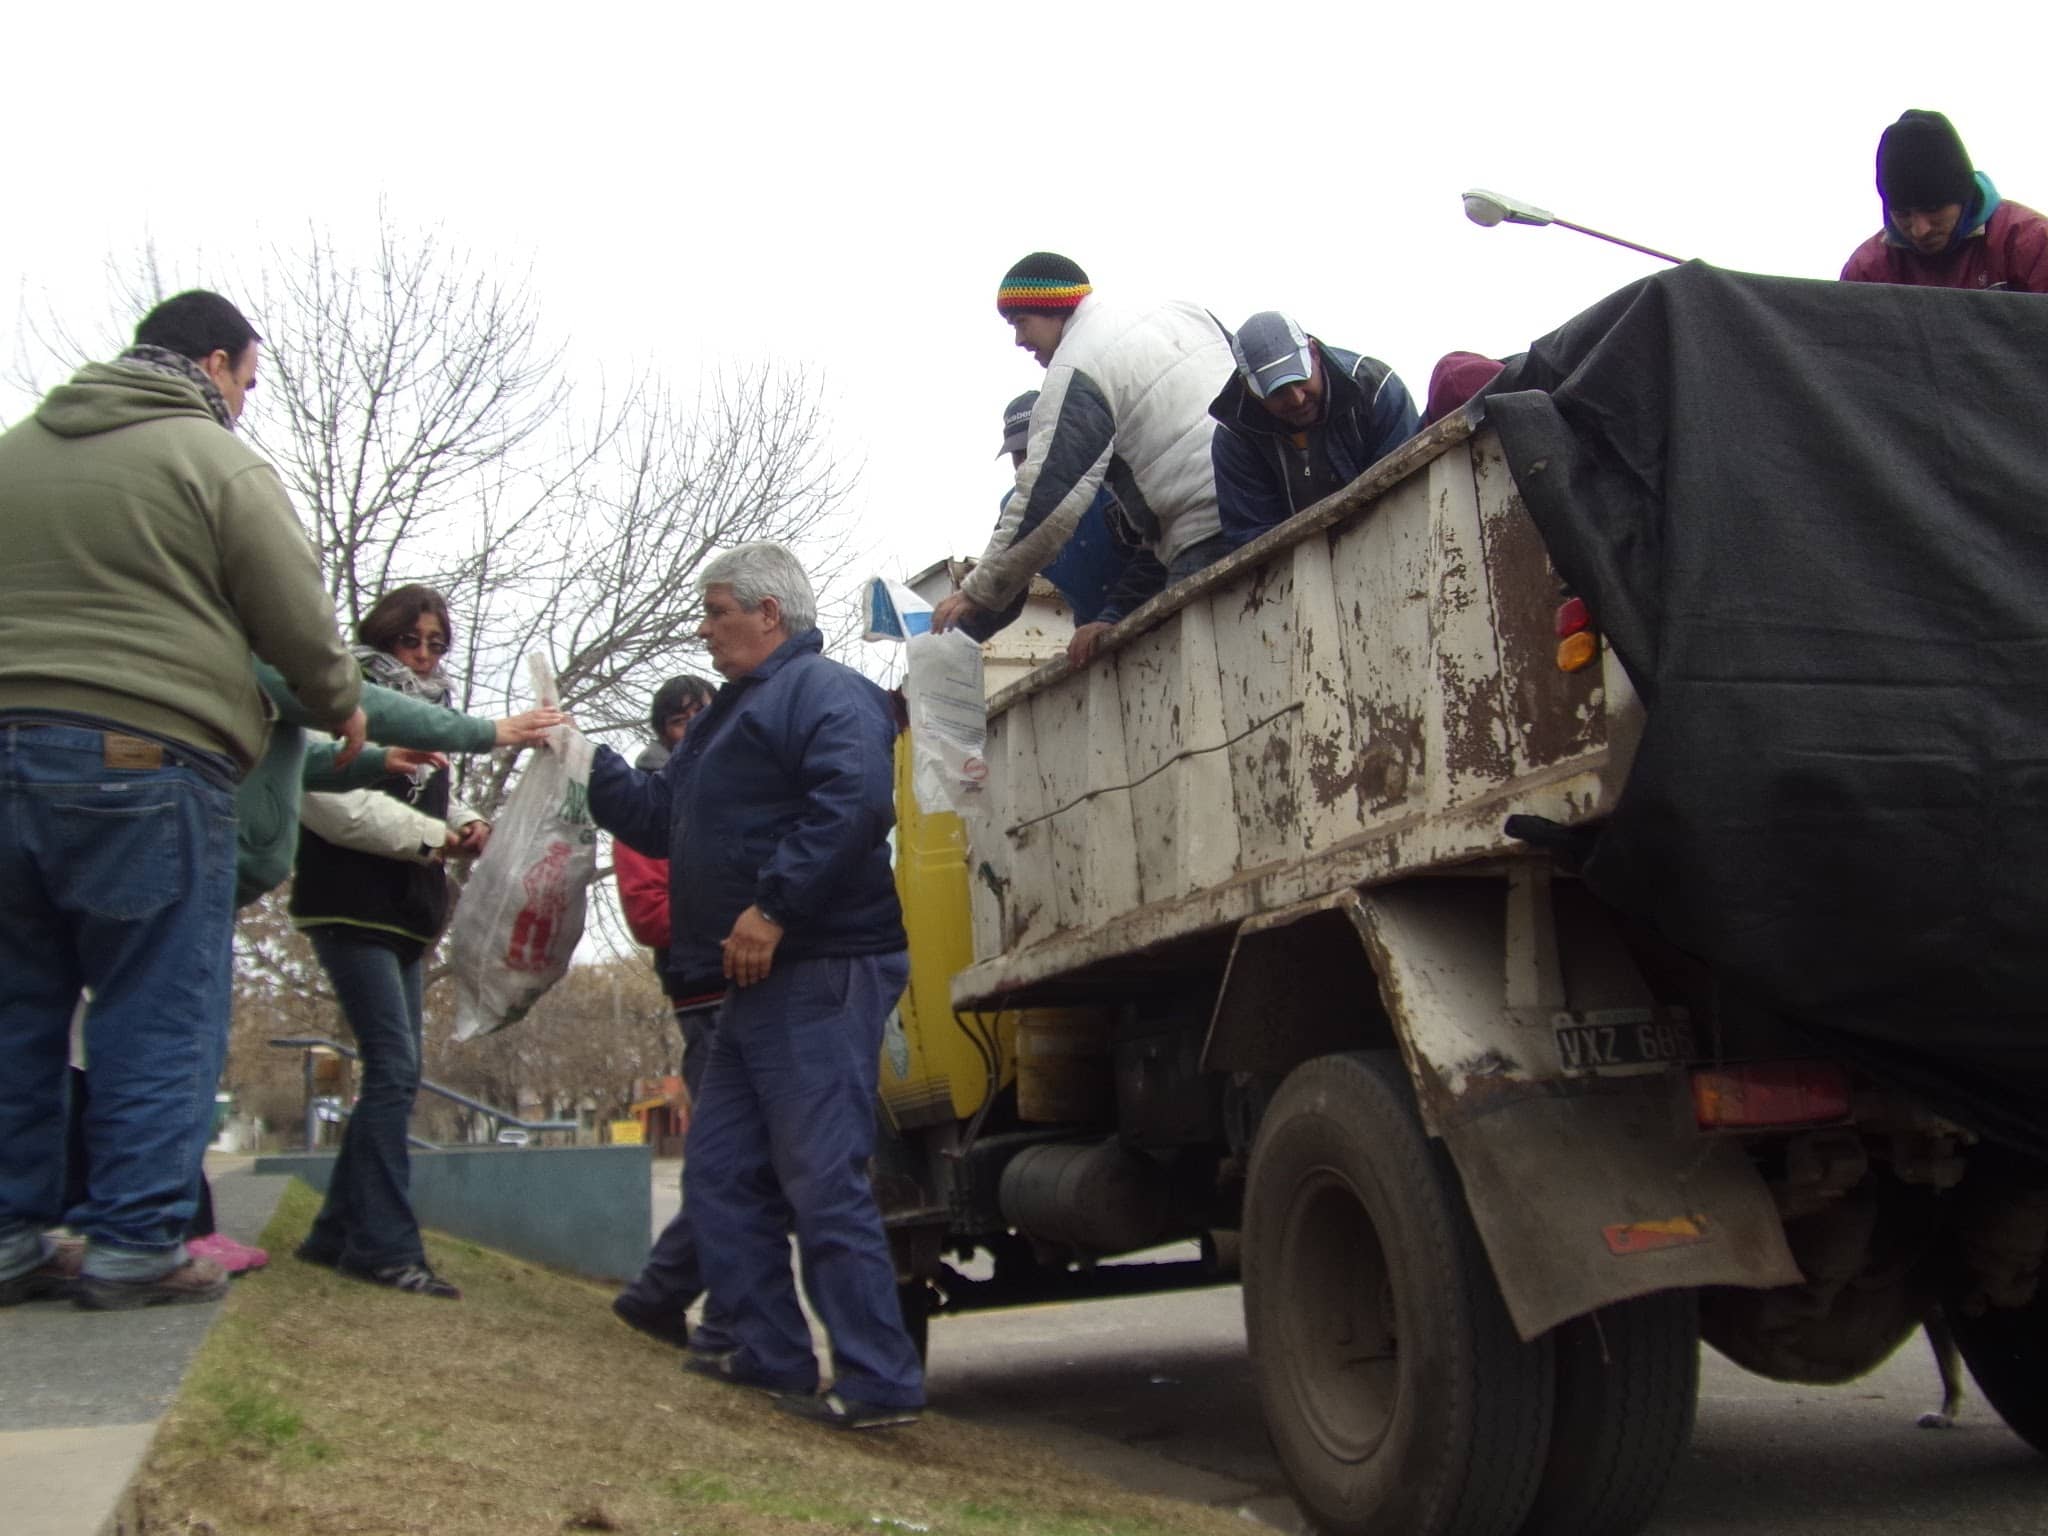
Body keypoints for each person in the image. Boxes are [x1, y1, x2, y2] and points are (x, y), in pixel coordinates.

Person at [0, 289, 364, 1310]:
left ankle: (11, 1236)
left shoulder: (14, 453)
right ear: (214, 365)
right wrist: (337, 698)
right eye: (247, 381)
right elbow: (295, 614)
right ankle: (133, 1243)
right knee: (156, 1002)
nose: (244, 402)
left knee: (16, 1008)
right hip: (142, 759)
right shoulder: (215, 461)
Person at [589, 542, 922, 1429]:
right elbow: (661, 818)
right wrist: (583, 762)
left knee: (821, 1177)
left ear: (769, 613)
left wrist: (773, 907)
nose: (703, 631)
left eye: (716, 611)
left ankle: (879, 1384)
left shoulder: (827, 692)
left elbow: (856, 799)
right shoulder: (730, 716)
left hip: (820, 965)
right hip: (748, 979)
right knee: (720, 1175)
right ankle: (772, 1355)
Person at [287, 585, 500, 1300]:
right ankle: (384, 1247)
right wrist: (436, 839)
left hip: (409, 913)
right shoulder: (341, 694)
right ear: (382, 636)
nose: (424, 655)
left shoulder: (428, 710)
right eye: (411, 640)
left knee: (397, 1073)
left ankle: (333, 1234)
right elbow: (331, 803)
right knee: (393, 1070)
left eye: (436, 643)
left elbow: (432, 789)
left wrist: (466, 821)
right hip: (349, 906)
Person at [932, 252, 1231, 666]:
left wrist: (977, 591)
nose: (1019, 340)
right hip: (1262, 504)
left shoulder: (1078, 365)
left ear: (1052, 308)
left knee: (1200, 676)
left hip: (1202, 530)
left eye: (1021, 322)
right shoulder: (1179, 311)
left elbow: (1049, 498)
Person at [609, 673, 739, 1354]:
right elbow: (648, 913)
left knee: (748, 1156)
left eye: (706, 715)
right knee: (731, 1157)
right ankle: (686, 1302)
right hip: (705, 996)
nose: (695, 729)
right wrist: (740, 919)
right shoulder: (650, 800)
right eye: (682, 719)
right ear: (663, 731)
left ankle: (668, 1296)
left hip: (752, 990)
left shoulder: (733, 784)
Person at [957, 392, 1165, 643]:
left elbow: (1157, 551)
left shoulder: (1111, 478)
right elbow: (1007, 588)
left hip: (1165, 617)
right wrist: (955, 630)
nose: (1024, 464)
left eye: (1033, 449)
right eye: (1017, 454)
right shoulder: (1014, 511)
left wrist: (1114, 614)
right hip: (1094, 644)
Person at [1208, 312, 1421, 551]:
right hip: (1302, 566)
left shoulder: (1376, 389)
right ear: (1249, 388)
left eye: (1300, 380)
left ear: (1314, 353)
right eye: (1277, 391)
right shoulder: (1235, 437)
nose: (1297, 399)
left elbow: (1408, 490)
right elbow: (1254, 541)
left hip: (1395, 541)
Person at [1840, 110, 2048, 293]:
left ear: (1963, 196)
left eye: (1933, 209)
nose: (1920, 230)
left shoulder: (2033, 246)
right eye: (1903, 214)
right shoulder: (1865, 272)